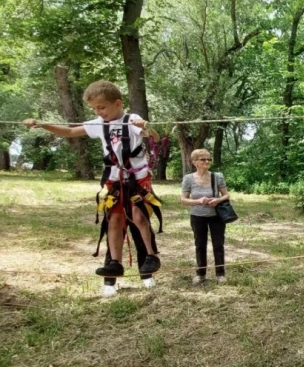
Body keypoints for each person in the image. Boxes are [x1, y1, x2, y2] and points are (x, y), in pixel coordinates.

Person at [23, 80, 162, 297]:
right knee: (113, 220)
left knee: (138, 215)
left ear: (117, 103)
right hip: (113, 180)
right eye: (95, 109)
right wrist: (42, 124)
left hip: (137, 179)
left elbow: (154, 137)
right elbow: (70, 132)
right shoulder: (99, 124)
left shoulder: (131, 119)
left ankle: (151, 257)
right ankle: (114, 263)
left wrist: (145, 126)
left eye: (102, 107)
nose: (99, 112)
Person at [181, 149, 230, 284]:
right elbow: (183, 200)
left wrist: (218, 200)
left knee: (218, 244)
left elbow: (226, 195)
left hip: (216, 216)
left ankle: (220, 274)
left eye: (209, 159)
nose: (207, 161)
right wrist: (198, 201)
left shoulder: (217, 176)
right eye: (203, 159)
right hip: (197, 216)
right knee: (200, 245)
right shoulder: (188, 179)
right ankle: (200, 274)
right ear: (195, 162)